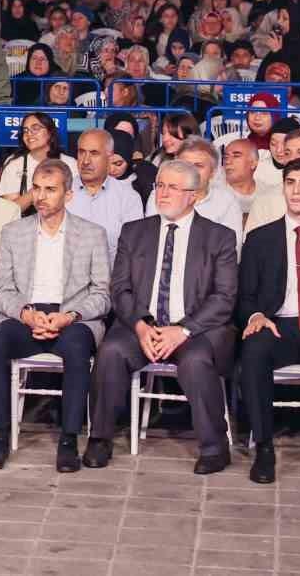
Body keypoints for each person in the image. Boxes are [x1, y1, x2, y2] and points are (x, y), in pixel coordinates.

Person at [84, 159, 238, 475]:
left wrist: (181, 330)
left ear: (193, 195)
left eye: (172, 187)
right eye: (160, 185)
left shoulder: (218, 237)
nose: (163, 193)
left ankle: (214, 447)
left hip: (197, 330)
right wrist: (141, 325)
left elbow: (224, 299)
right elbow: (120, 288)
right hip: (142, 325)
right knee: (111, 351)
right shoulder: (135, 232)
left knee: (195, 362)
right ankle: (99, 439)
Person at [0, 160, 110, 472]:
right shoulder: (14, 232)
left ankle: (68, 439)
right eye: (36, 188)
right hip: (27, 313)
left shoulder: (92, 234)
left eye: (50, 189)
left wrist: (70, 316)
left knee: (77, 349)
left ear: (68, 195)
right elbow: (2, 291)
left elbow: (102, 294)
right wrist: (26, 314)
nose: (40, 196)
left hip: (72, 317)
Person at [236, 158, 300, 484]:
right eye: (291, 183)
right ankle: (264, 447)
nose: (296, 190)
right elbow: (245, 295)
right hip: (278, 324)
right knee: (253, 351)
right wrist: (257, 315)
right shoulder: (261, 238)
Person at [67, 128, 145, 265]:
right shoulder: (61, 192)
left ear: (109, 157)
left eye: (94, 153)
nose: (85, 161)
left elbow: (134, 251)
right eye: (81, 152)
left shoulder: (128, 198)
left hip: (112, 282)